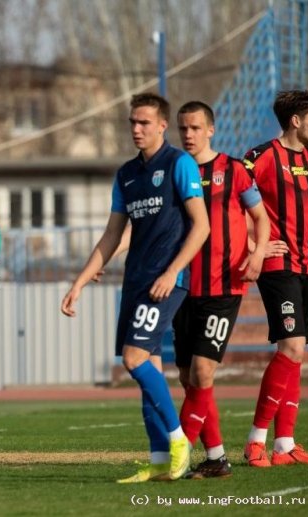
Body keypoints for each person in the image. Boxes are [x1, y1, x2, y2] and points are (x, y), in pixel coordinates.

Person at [61, 93, 210, 483]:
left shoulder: (179, 164)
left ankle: (179, 442)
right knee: (148, 369)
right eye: (132, 122)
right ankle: (162, 461)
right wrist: (79, 281)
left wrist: (172, 272)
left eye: (144, 122)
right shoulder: (126, 174)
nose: (136, 129)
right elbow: (113, 234)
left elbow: (201, 226)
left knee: (133, 359)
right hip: (136, 281)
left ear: (162, 125)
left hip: (167, 281)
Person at [172, 101, 270, 478]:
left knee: (202, 371)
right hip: (182, 288)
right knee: (187, 377)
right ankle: (215, 458)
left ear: (211, 130)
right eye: (183, 129)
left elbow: (260, 218)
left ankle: (170, 456)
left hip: (223, 287)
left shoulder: (234, 171)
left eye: (195, 128)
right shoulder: (176, 173)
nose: (189, 135)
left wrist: (258, 253)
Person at [242, 90, 308, 467]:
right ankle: (256, 440)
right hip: (278, 265)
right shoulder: (259, 157)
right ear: (296, 120)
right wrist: (253, 245)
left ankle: (285, 444)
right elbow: (232, 202)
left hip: (307, 265)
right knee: (291, 348)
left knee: (295, 353)